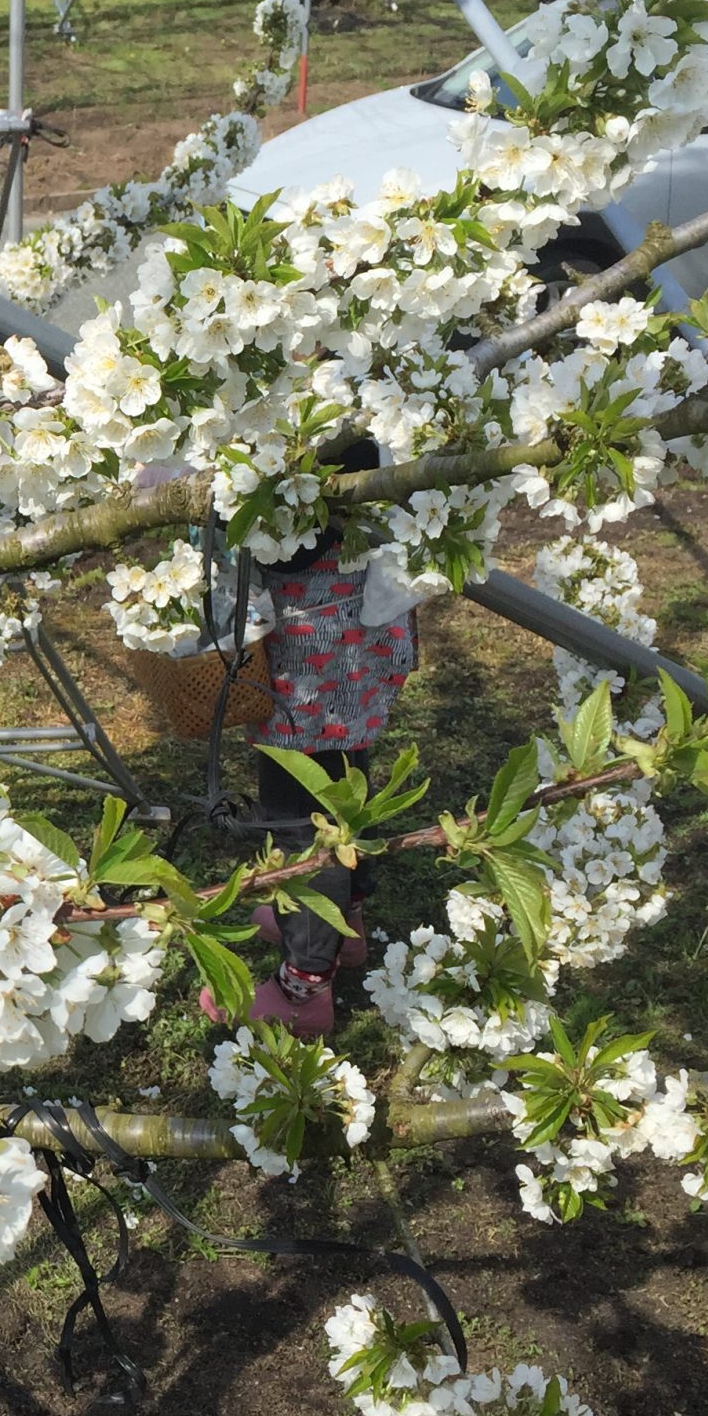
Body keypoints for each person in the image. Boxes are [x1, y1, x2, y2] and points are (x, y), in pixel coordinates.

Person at [205, 440, 420, 1039]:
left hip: (316, 648)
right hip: (351, 639)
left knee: (301, 820)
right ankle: (342, 926)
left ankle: (305, 985)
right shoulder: (361, 393)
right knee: (343, 787)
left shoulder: (332, 427)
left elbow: (297, 540)